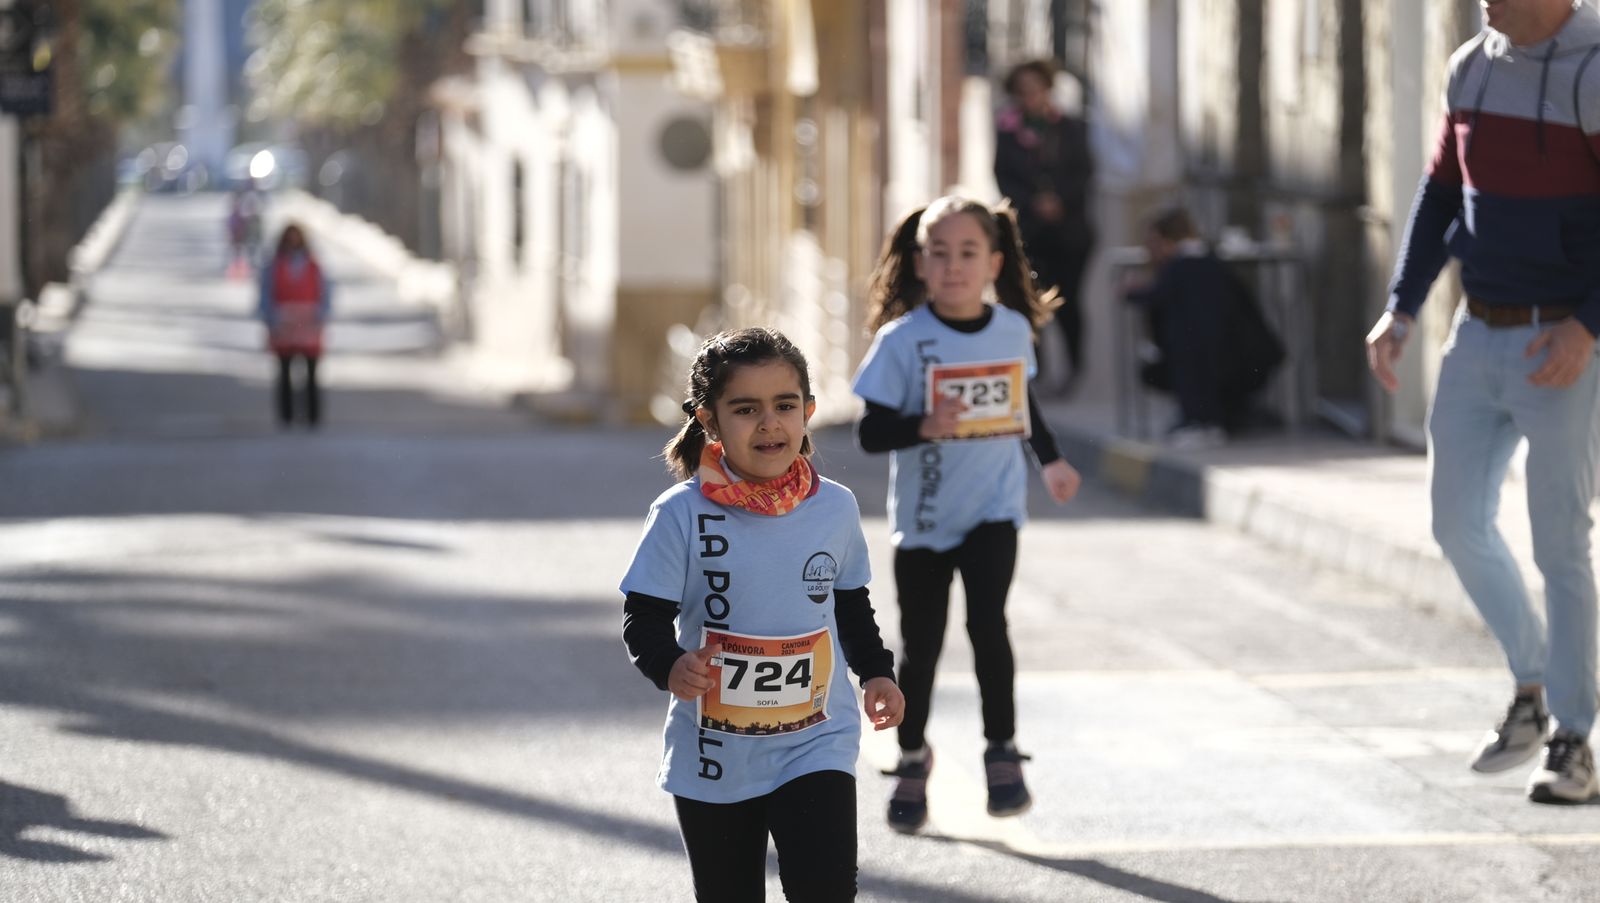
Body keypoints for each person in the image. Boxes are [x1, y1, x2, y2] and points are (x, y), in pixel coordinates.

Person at [1367, 0, 1600, 804]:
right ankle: (1532, 686)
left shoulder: (1596, 68)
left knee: (1560, 542)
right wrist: (1401, 306)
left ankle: (1573, 736)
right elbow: (1440, 192)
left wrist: (1588, 327)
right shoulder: (1470, 64)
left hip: (1562, 342)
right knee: (1455, 520)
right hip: (1478, 328)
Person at [621, 327, 906, 902]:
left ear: (809, 412)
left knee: (825, 890)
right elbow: (643, 615)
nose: (769, 423)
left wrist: (876, 671)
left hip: (815, 740)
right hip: (716, 753)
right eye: (745, 409)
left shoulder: (835, 507)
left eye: (784, 405)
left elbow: (849, 600)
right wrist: (669, 665)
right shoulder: (681, 514)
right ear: (710, 421)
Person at [850, 195, 1082, 834]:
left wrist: (1052, 461)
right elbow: (869, 433)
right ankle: (912, 756)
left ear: (994, 262)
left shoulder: (1011, 329)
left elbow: (1022, 403)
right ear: (921, 263)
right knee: (921, 645)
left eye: (968, 253)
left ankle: (1002, 753)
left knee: (988, 627)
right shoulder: (903, 341)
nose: (954, 265)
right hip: (925, 519)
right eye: (940, 253)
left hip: (994, 510)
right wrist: (923, 423)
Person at [1123, 207, 1284, 448]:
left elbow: (1157, 296)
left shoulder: (1183, 266)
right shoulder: (1207, 261)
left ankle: (1204, 421)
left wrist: (1131, 291)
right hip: (1239, 354)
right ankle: (1207, 419)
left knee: (1183, 354)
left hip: (1223, 357)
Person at [994, 59, 1096, 392]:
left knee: (1069, 301)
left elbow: (1083, 172)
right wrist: (1033, 203)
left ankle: (1075, 369)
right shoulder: (1008, 132)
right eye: (1022, 91)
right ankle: (1036, 371)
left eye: (1035, 89)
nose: (1030, 96)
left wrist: (1059, 201)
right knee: (1030, 301)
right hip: (1030, 233)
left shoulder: (1071, 128)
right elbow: (1003, 176)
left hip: (1069, 232)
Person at [258, 223, 330, 428]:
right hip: (284, 326)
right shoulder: (274, 265)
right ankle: (286, 416)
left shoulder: (313, 265)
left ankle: (312, 416)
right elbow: (266, 292)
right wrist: (270, 317)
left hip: (309, 326)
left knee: (311, 373)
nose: (293, 241)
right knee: (284, 372)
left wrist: (321, 315)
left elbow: (325, 292)